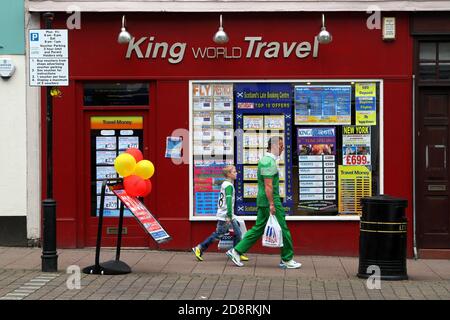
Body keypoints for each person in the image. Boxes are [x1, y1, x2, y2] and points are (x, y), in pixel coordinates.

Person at [226, 136, 301, 269]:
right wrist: (272, 204)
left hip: (264, 200)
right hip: (270, 200)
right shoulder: (268, 162)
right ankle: (287, 259)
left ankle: (236, 251)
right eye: (281, 146)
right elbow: (268, 185)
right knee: (283, 229)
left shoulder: (267, 160)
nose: (283, 148)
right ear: (273, 146)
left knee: (258, 228)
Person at [192, 165, 248, 261]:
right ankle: (200, 247)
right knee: (219, 234)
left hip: (225, 214)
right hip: (226, 215)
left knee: (237, 233)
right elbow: (229, 201)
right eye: (234, 172)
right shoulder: (229, 186)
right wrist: (230, 215)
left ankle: (237, 252)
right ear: (229, 174)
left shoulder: (225, 184)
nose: (236, 173)